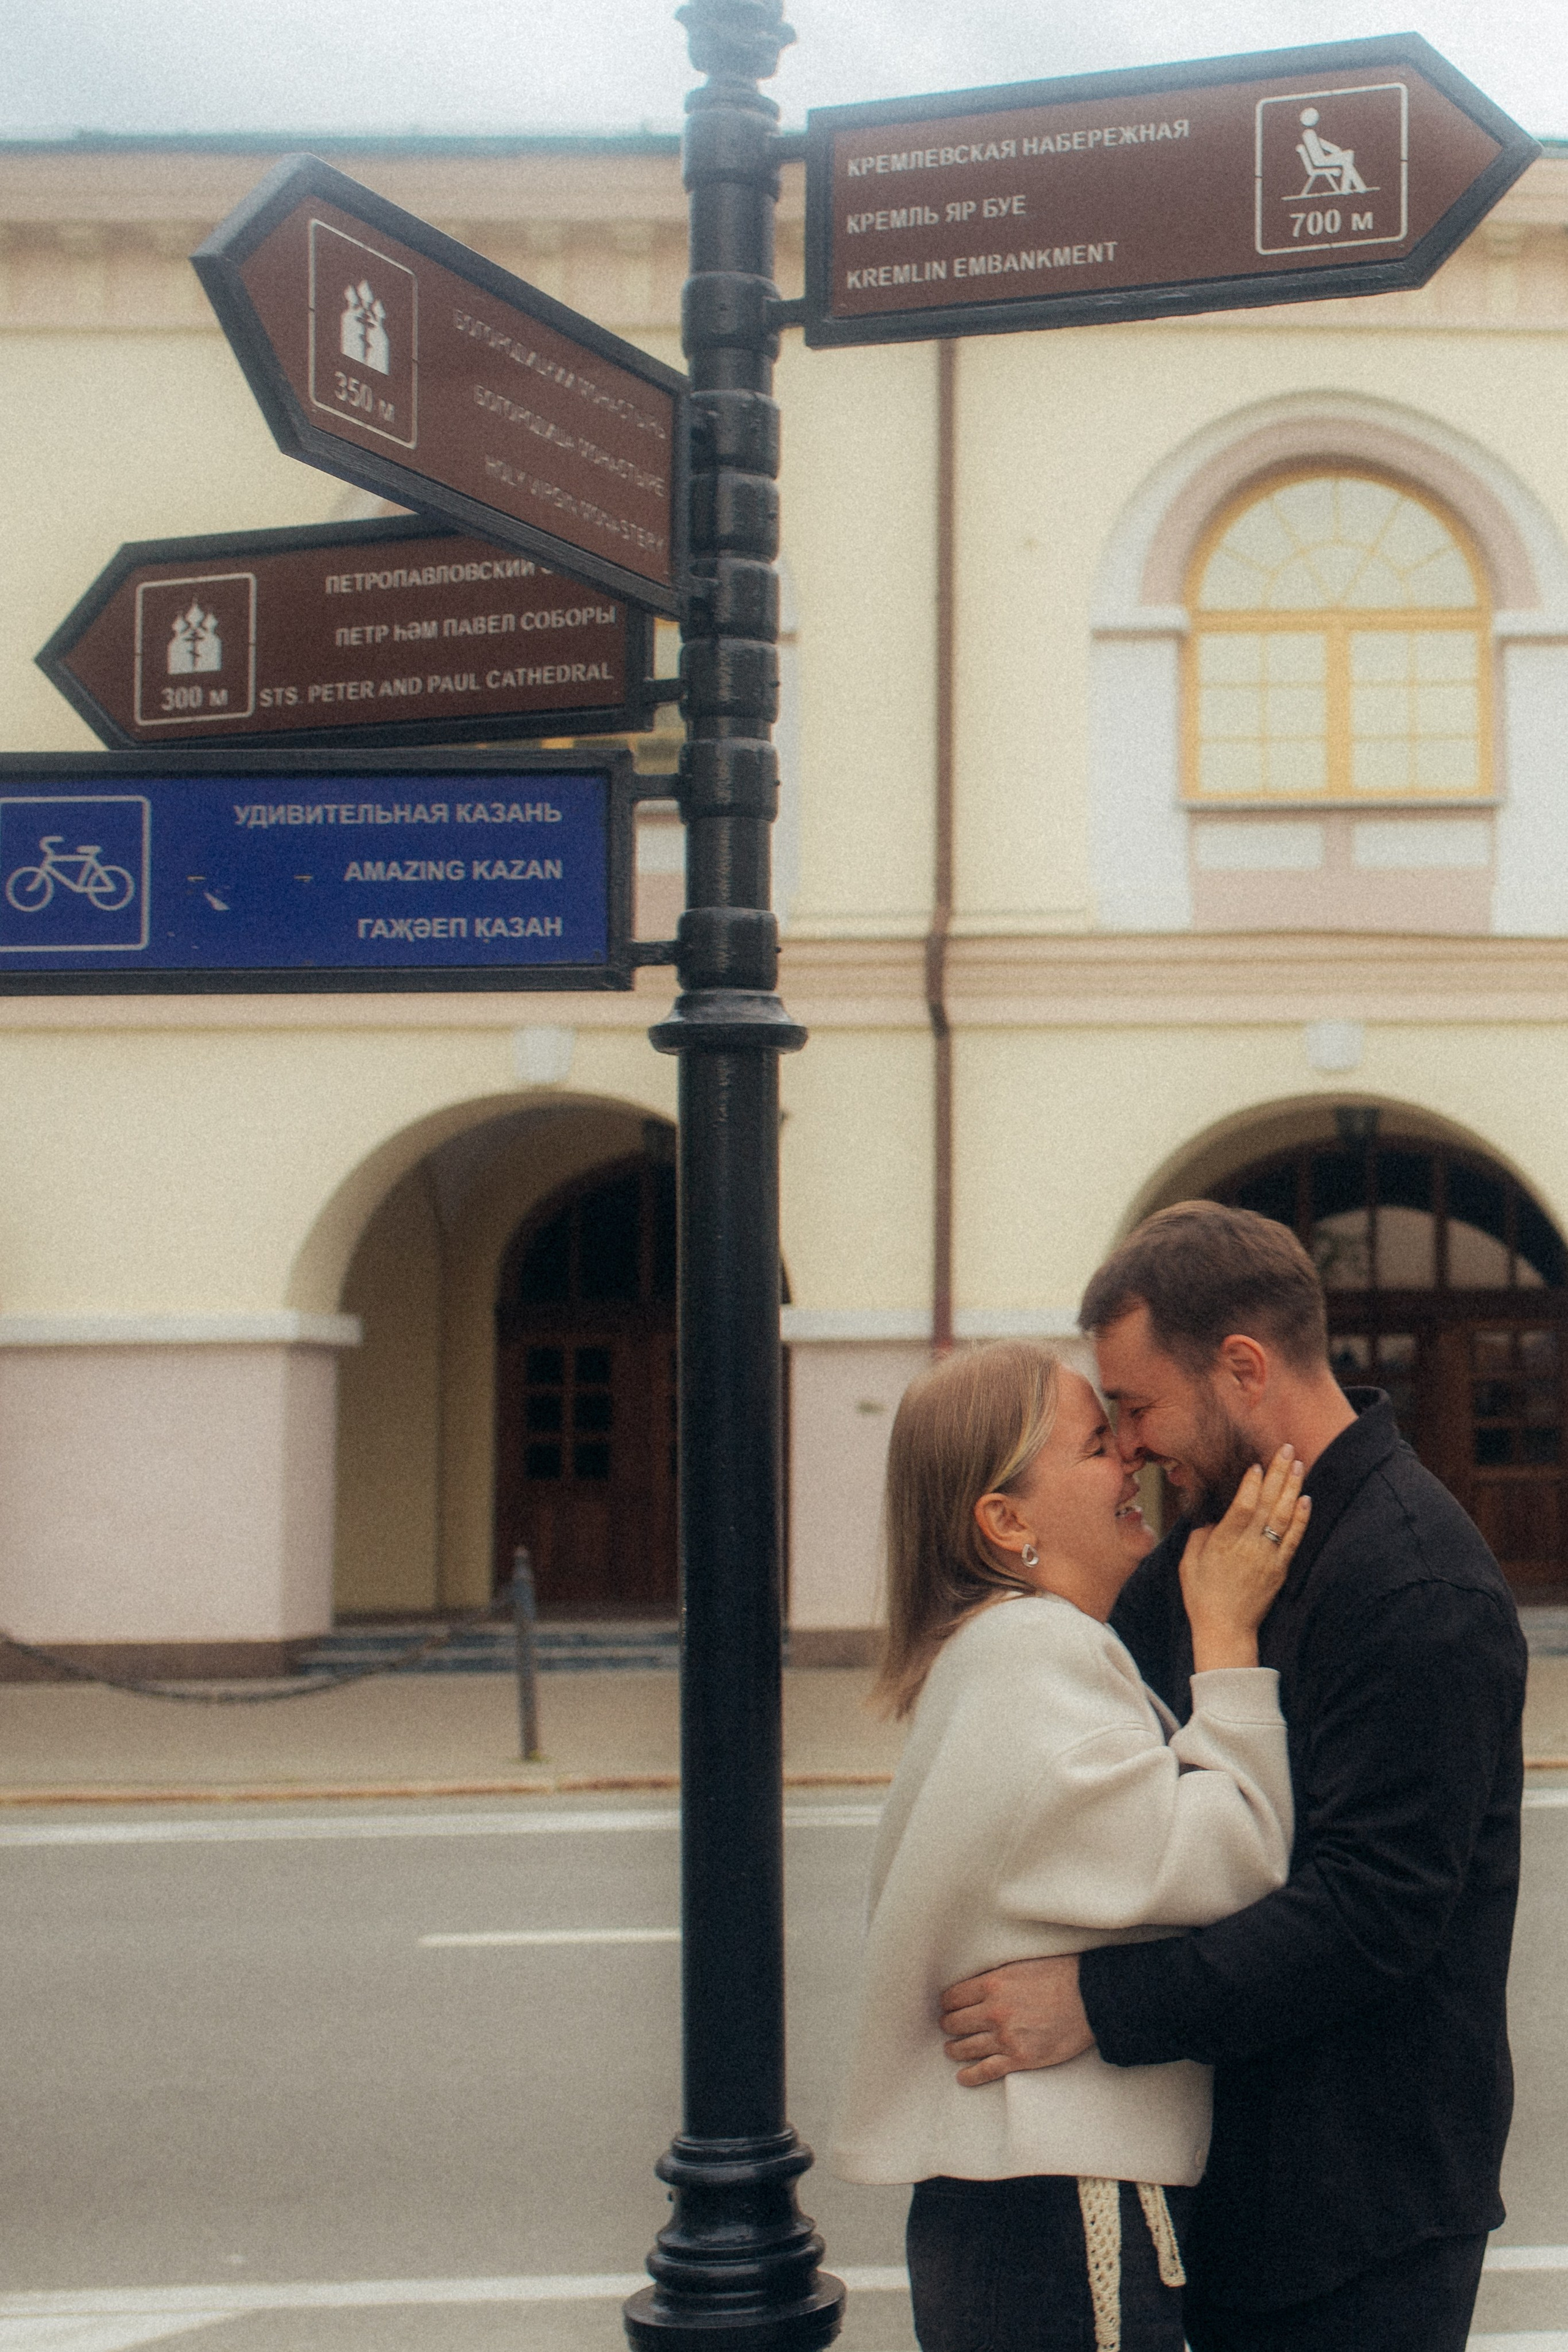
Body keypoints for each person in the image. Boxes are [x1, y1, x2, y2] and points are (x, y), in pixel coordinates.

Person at [937, 1204, 1528, 2352]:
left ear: (1244, 1369)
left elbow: (1375, 1913)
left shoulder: (1415, 1586)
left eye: (1141, 1408)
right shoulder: (1213, 1550)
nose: (1134, 1445)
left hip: (1362, 2211)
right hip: (1230, 2181)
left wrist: (1095, 2010)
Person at [829, 1337, 1311, 2352]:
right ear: (1005, 1521)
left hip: (1024, 2196)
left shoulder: (1001, 1648)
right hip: (1064, 2198)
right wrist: (1226, 1639)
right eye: (1096, 1444)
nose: (1131, 1461)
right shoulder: (1037, 1651)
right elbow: (1237, 1857)